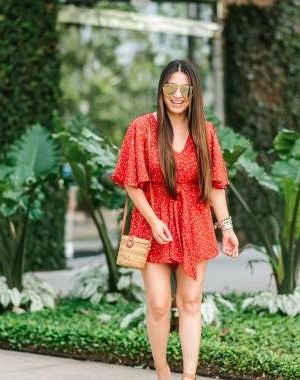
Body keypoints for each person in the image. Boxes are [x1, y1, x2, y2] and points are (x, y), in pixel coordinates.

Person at [111, 59, 239, 380]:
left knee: (190, 302)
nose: (177, 95)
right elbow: (130, 182)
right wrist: (154, 221)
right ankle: (163, 372)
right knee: (158, 303)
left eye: (184, 88)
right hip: (152, 222)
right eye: (171, 87)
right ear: (162, 90)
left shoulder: (205, 132)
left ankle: (189, 377)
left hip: (194, 222)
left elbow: (215, 185)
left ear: (194, 93)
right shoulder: (142, 127)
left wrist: (227, 228)